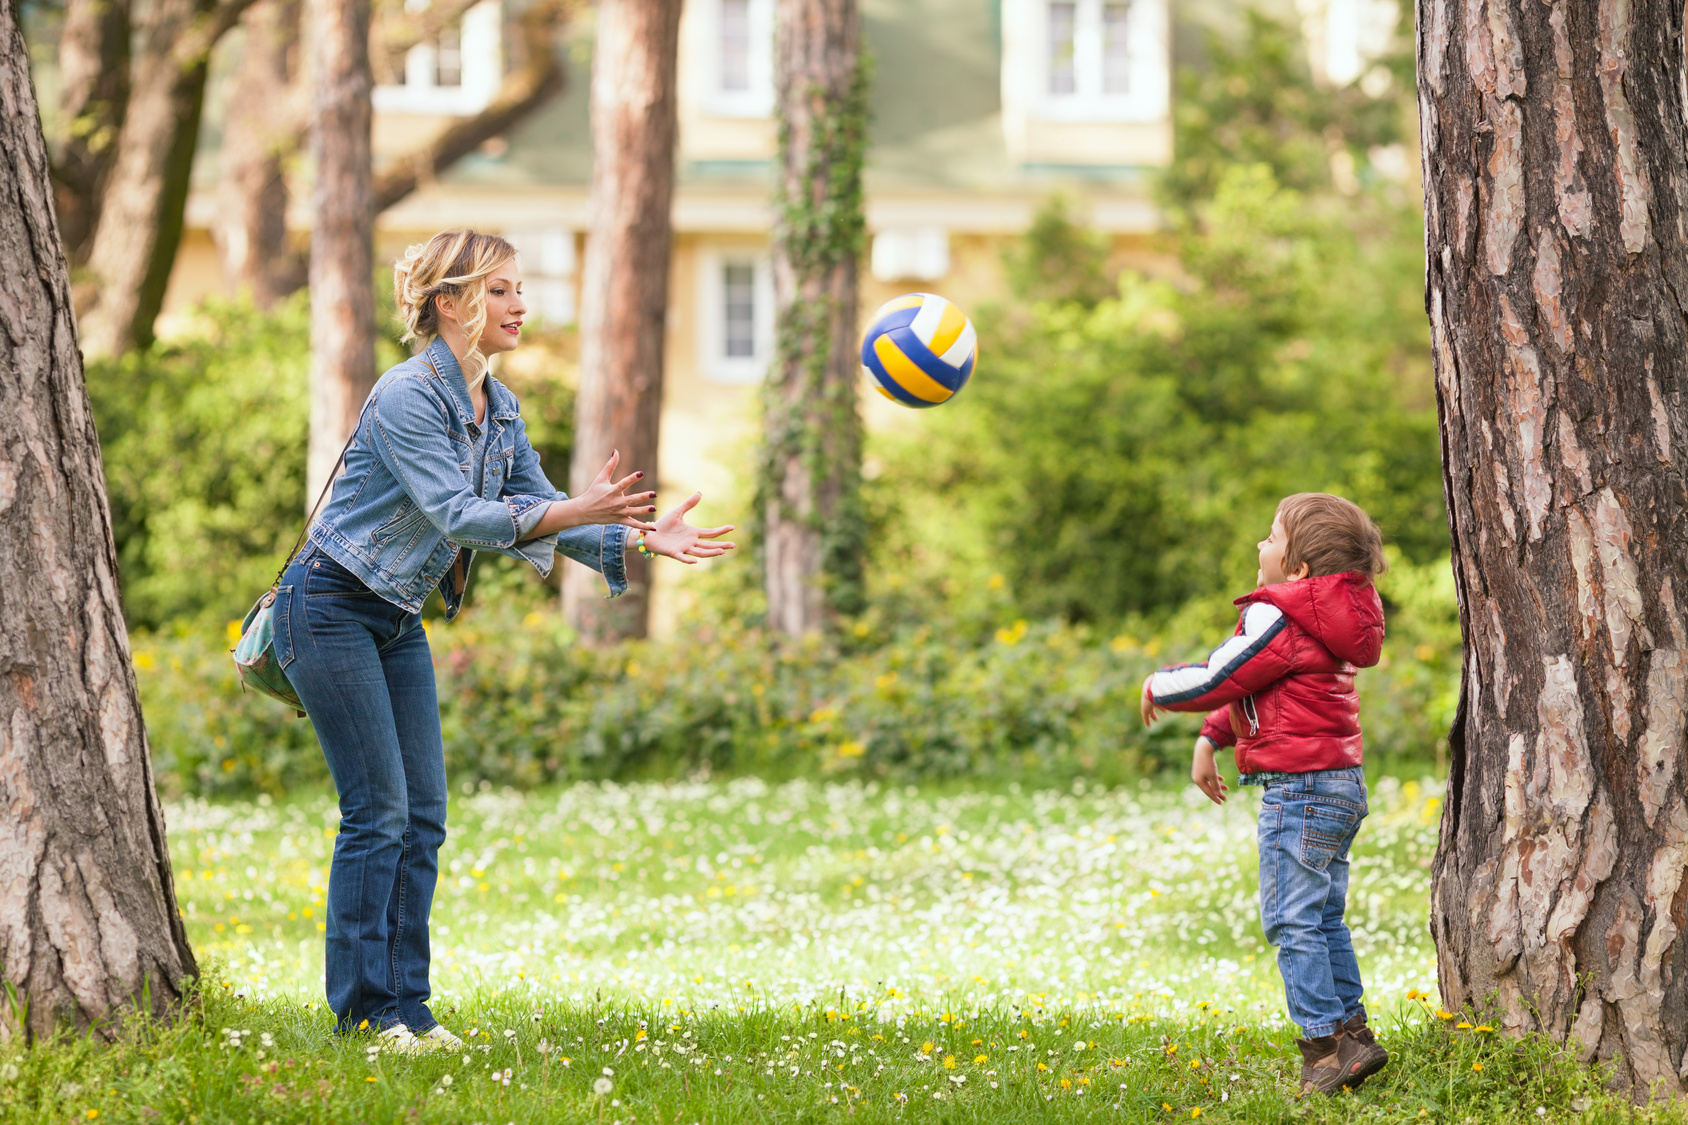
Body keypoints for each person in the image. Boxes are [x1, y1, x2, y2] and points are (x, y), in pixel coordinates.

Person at [273, 230, 736, 1051]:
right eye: (500, 291)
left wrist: (633, 540)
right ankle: (363, 1013)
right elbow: (464, 516)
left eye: (520, 288)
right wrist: (581, 513)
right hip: (330, 604)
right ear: (449, 303)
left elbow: (543, 512)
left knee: (423, 819)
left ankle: (410, 1010)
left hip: (395, 615)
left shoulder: (500, 404)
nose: (520, 304)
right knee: (376, 812)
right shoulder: (408, 395)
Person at [1138, 492, 1390, 1097]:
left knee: (1290, 920)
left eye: (1271, 536)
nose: (1260, 545)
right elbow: (1273, 691)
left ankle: (1323, 1049)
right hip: (1339, 786)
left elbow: (1226, 674)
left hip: (1299, 792)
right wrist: (1212, 736)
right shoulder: (1330, 615)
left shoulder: (1277, 613)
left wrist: (1161, 686)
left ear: (1298, 566)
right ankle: (1353, 1036)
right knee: (1324, 917)